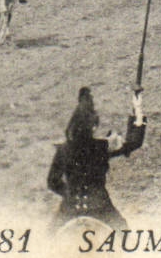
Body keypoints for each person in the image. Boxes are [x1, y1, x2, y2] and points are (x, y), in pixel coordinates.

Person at [47, 87, 146, 231]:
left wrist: (71, 193)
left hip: (70, 208)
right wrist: (137, 109)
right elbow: (134, 142)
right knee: (124, 233)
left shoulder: (63, 150)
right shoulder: (102, 146)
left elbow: (52, 182)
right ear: (92, 126)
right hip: (99, 206)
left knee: (49, 240)